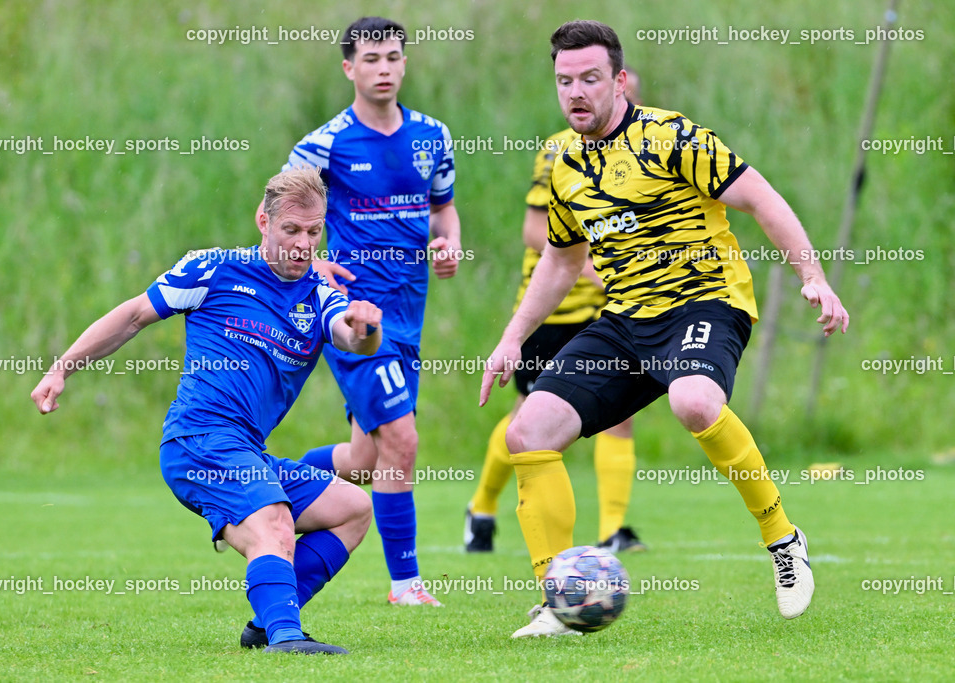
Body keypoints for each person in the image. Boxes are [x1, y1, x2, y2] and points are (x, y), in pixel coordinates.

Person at [480, 20, 849, 638]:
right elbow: (562, 260)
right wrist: (511, 338)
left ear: (619, 81)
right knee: (528, 430)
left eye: (590, 78)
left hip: (705, 303)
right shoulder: (565, 164)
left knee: (695, 401)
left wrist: (813, 276)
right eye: (565, 81)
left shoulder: (672, 137)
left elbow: (761, 198)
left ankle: (783, 540)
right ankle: (558, 601)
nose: (577, 92)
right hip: (626, 320)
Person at [32, 167, 382, 655]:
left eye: (313, 231)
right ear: (263, 221)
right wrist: (61, 369)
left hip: (247, 450)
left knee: (353, 509)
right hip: (198, 440)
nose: (304, 244)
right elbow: (133, 316)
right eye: (291, 230)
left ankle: (267, 622)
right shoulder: (214, 270)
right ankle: (286, 639)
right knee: (275, 522)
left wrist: (366, 329)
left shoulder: (319, 295)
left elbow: (351, 338)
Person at [269, 16, 461, 608]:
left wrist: (449, 242)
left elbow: (443, 208)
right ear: (349, 68)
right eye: (371, 59)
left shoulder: (433, 136)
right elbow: (280, 214)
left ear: (405, 64)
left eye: (392, 57)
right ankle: (406, 585)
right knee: (402, 439)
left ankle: (279, 483)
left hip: (409, 314)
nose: (383, 68)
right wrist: (315, 262)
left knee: (365, 457)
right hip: (354, 316)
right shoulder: (324, 144)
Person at [465, 67, 646, 555]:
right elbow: (534, 231)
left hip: (608, 312)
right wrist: (591, 269)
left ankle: (612, 531)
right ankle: (482, 506)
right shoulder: (560, 150)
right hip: (554, 311)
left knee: (620, 415)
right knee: (528, 417)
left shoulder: (644, 151)